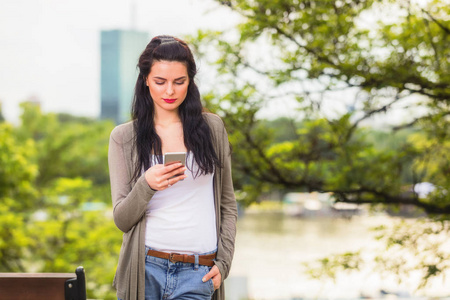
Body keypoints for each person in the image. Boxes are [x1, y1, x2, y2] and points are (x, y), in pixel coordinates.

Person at [108, 35, 237, 300]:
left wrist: (223, 264)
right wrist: (147, 185)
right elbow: (122, 220)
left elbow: (228, 204)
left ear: (190, 81)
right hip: (145, 269)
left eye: (179, 82)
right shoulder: (124, 137)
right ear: (145, 80)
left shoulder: (212, 129)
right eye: (160, 82)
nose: (170, 91)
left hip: (198, 272)